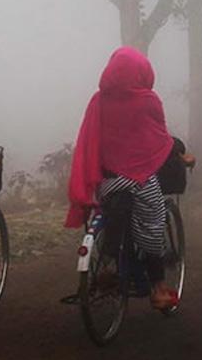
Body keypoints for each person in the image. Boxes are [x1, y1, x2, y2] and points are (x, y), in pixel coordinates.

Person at [65, 47, 192, 311]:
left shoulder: (98, 101)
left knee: (114, 212)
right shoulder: (148, 101)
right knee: (154, 221)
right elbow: (159, 139)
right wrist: (180, 152)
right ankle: (158, 289)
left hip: (106, 181)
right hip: (139, 180)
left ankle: (109, 260)